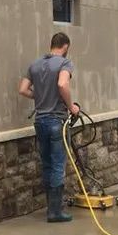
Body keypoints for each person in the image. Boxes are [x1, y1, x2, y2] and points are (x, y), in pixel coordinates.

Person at [18, 32, 79, 222]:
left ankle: (50, 209)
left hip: (40, 122)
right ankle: (55, 212)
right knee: (58, 166)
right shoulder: (64, 63)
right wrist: (72, 107)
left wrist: (41, 97)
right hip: (56, 122)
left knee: (47, 164)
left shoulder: (35, 65)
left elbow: (22, 89)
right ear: (65, 47)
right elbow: (62, 84)